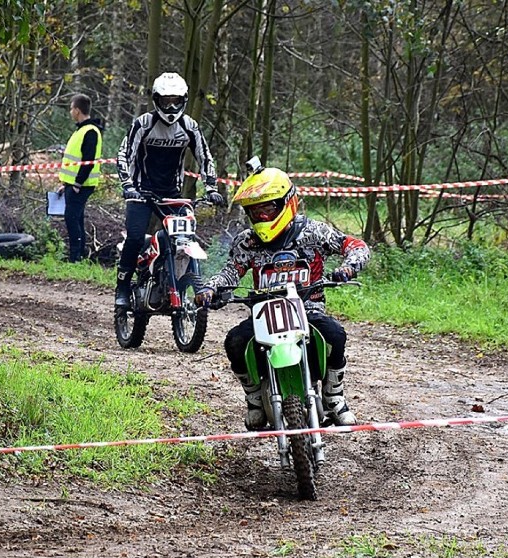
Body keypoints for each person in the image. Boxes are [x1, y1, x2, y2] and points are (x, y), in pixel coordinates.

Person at [195, 158, 370, 430]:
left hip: (308, 309)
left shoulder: (313, 232)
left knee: (335, 334)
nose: (261, 217)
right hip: (264, 314)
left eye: (267, 209)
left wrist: (348, 268)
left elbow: (355, 245)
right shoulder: (247, 241)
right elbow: (231, 270)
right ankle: (254, 399)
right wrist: (211, 288)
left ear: (287, 202)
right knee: (234, 341)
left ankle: (334, 396)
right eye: (255, 212)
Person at [114, 72, 224, 307]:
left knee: (183, 238)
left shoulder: (189, 126)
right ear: (156, 100)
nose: (171, 106)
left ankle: (173, 280)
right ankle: (122, 287)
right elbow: (124, 154)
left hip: (172, 194)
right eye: (166, 101)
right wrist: (128, 186)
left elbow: (205, 157)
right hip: (141, 192)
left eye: (176, 101)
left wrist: (212, 187)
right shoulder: (143, 124)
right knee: (134, 237)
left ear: (184, 100)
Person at [58, 93, 103, 262]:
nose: (70, 112)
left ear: (77, 110)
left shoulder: (90, 131)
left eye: (71, 108)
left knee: (71, 217)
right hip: (75, 184)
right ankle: (80, 254)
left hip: (82, 184)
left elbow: (88, 161)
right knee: (77, 218)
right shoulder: (82, 130)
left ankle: (75, 257)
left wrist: (77, 183)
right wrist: (67, 184)